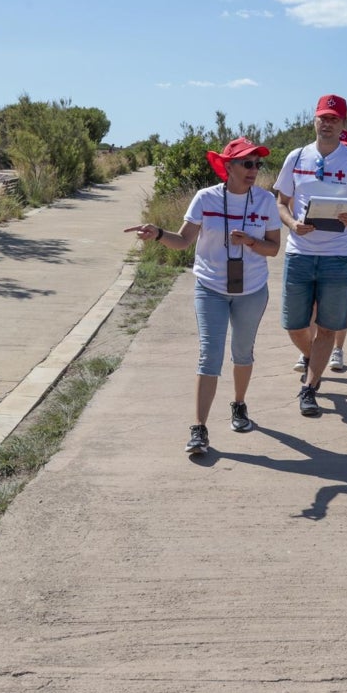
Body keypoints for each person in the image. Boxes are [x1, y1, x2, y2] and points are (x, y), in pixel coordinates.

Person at [125, 137, 281, 455]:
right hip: (210, 287)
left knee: (242, 351)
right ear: (228, 166)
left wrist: (251, 242)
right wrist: (156, 234)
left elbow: (274, 248)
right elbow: (183, 241)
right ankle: (199, 429)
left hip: (251, 289)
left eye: (257, 164)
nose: (254, 170)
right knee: (209, 354)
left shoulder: (265, 201)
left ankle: (238, 404)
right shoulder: (205, 198)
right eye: (247, 163)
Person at [274, 94, 347, 417]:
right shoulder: (296, 157)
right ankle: (310, 355)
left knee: (328, 327)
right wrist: (292, 223)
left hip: (338, 254)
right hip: (300, 252)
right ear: (314, 120)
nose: (327, 123)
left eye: (334, 119)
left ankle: (310, 387)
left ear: (343, 123)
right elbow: (281, 202)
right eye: (323, 117)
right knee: (294, 325)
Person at [294, 128, 347, 374]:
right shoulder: (317, 174)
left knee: (339, 304)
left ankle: (337, 350)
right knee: (312, 305)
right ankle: (307, 351)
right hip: (312, 246)